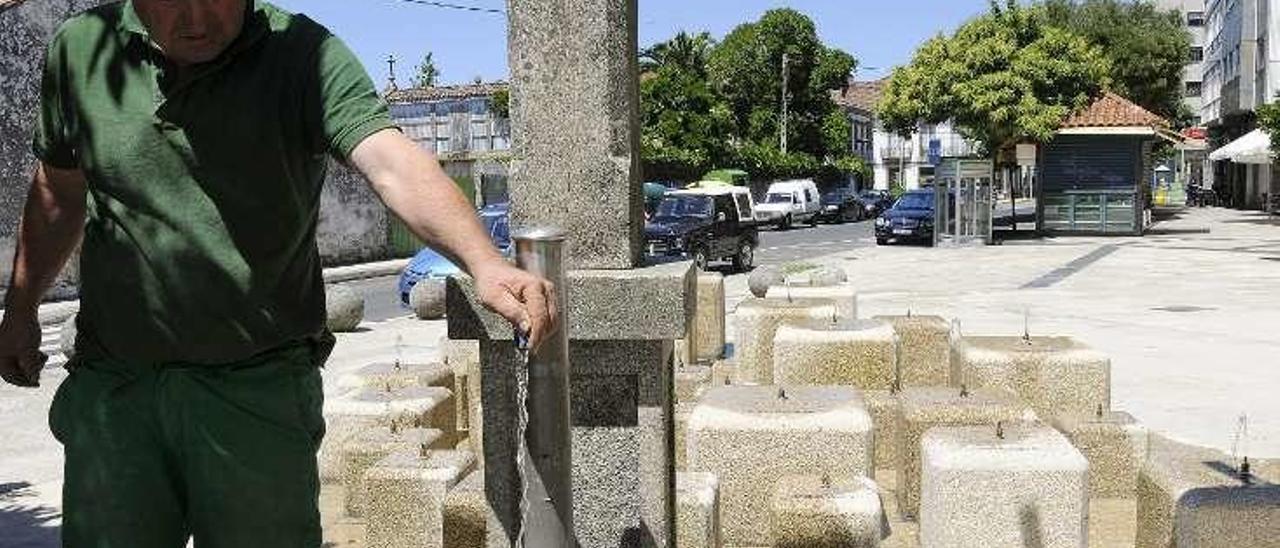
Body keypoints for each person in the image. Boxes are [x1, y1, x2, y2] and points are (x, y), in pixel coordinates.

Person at [0, 0, 555, 545]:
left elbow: (391, 163)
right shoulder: (81, 50)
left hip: (256, 392)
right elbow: (58, 192)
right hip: (116, 393)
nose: (195, 18)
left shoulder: (303, 54)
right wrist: (20, 308)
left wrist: (483, 261)